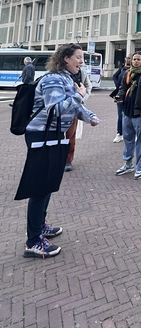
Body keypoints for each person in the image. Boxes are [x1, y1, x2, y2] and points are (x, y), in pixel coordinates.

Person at [15, 43, 100, 258]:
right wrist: (80, 95)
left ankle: (40, 227)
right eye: (78, 57)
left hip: (51, 135)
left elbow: (73, 107)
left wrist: (89, 117)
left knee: (48, 184)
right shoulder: (54, 79)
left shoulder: (66, 79)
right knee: (39, 188)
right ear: (65, 59)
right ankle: (33, 242)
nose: (81, 61)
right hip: (41, 134)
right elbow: (56, 108)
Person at [115, 52, 141, 180]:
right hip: (127, 111)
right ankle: (128, 164)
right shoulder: (128, 73)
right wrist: (120, 96)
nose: (136, 61)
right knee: (128, 138)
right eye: (134, 59)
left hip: (139, 113)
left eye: (138, 59)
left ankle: (140, 167)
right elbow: (122, 87)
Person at [64, 66, 92, 171]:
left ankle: (68, 160)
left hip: (73, 108)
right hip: (59, 106)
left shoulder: (81, 72)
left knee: (70, 135)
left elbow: (88, 86)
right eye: (77, 57)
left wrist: (82, 98)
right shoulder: (57, 73)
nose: (80, 61)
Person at [112, 55, 132, 143]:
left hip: (129, 96)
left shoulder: (134, 71)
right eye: (126, 59)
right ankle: (119, 133)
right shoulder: (122, 69)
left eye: (129, 59)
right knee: (120, 115)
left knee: (130, 115)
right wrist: (118, 86)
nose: (127, 60)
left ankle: (130, 133)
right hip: (120, 95)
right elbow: (114, 76)